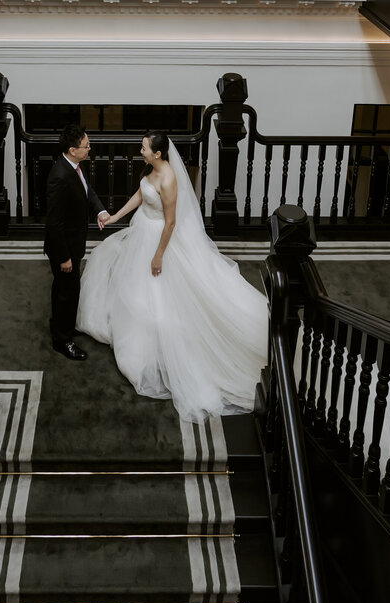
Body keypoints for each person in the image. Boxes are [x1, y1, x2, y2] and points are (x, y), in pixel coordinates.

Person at [77, 131, 268, 422]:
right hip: (141, 229)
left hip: (157, 238)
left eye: (144, 148)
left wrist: (158, 254)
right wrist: (115, 217)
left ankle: (154, 344)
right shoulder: (151, 170)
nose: (140, 151)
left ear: (158, 153)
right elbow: (141, 194)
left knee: (160, 295)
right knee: (131, 284)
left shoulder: (168, 179)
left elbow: (170, 222)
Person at [43, 124, 110, 361]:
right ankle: (62, 341)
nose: (90, 149)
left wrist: (99, 210)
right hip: (65, 248)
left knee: (63, 288)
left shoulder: (74, 168)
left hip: (73, 242)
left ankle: (59, 325)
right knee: (68, 292)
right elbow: (54, 223)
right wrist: (63, 257)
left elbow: (86, 190)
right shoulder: (60, 177)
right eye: (86, 146)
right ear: (73, 149)